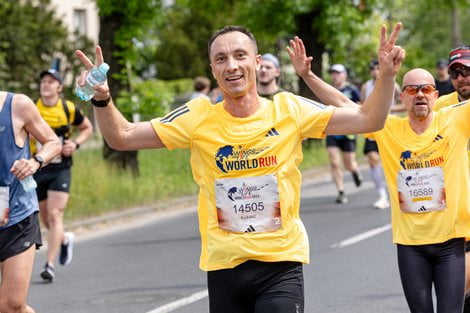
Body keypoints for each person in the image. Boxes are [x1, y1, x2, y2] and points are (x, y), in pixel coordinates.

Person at [75, 23, 404, 313]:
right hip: (224, 266)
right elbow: (122, 136)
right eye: (221, 59)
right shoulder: (198, 116)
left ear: (257, 62)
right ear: (213, 69)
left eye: (240, 55)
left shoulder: (289, 109)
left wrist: (387, 76)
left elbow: (369, 120)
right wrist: (102, 98)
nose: (231, 65)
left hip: (280, 263)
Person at [364, 68, 469, 313]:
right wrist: (307, 75)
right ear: (403, 96)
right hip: (410, 245)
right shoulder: (387, 128)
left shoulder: (457, 119)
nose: (420, 94)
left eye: (426, 89)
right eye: (412, 89)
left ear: (436, 95)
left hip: (450, 241)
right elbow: (349, 108)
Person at [0, 92, 61, 313]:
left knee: (11, 306)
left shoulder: (17, 105)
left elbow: (53, 142)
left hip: (18, 215)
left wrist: (36, 162)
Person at [33, 69, 93, 282]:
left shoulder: (68, 109)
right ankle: (64, 239)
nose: (46, 85)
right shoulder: (32, 108)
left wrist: (75, 143)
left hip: (61, 169)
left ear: (59, 87)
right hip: (37, 168)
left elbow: (87, 128)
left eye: (51, 82)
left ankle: (49, 265)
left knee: (56, 214)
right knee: (46, 219)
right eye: (43, 82)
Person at [431, 46, 470, 313]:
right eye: (456, 72)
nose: (462, 77)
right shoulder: (444, 106)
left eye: (468, 71)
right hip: (459, 208)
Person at [360, 59, 403, 209]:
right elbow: (361, 105)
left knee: (396, 161)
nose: (375, 71)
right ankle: (382, 195)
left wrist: (389, 109)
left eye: (377, 68)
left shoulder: (393, 84)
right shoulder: (366, 86)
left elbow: (404, 103)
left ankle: (400, 191)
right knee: (372, 158)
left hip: (390, 125)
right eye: (372, 69)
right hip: (372, 126)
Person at [325, 63, 363, 204]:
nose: (335, 76)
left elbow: (360, 107)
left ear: (344, 74)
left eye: (338, 73)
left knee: (349, 163)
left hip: (349, 131)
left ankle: (354, 171)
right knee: (334, 161)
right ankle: (341, 191)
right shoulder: (327, 90)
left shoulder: (351, 90)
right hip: (332, 130)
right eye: (333, 73)